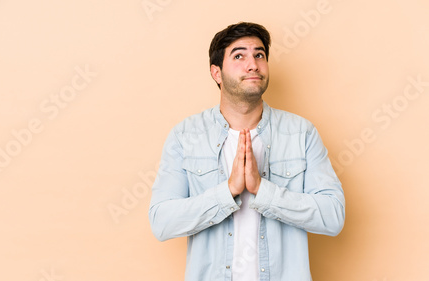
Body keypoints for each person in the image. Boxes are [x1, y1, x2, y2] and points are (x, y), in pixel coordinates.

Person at [148, 22, 345, 281]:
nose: (252, 64)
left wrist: (263, 190)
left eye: (259, 55)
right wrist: (227, 192)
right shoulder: (186, 136)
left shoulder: (301, 133)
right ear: (216, 73)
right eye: (239, 56)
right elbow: (162, 222)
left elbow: (333, 216)